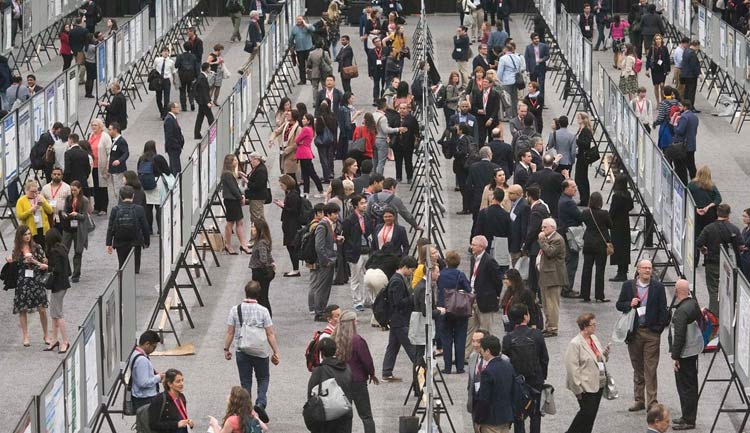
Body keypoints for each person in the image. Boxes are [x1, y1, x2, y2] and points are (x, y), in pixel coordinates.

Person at [616, 258, 669, 412]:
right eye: (645, 268)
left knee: (650, 368)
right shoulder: (628, 286)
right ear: (638, 270)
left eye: (650, 268)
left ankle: (652, 401)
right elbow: (619, 304)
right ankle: (639, 400)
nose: (647, 270)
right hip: (635, 333)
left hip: (651, 333)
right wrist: (629, 304)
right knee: (637, 367)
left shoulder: (658, 287)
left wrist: (658, 329)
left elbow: (663, 310)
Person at [224, 280, 280, 413]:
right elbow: (270, 333)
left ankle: (247, 410)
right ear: (258, 294)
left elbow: (230, 332)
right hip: (260, 351)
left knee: (246, 381)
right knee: (263, 377)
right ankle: (261, 402)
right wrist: (276, 351)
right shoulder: (263, 311)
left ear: (245, 292)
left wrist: (226, 349)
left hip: (241, 349)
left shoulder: (235, 310)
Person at [503, 304, 548, 433]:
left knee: (519, 414)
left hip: (517, 381)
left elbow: (506, 361)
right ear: (525, 317)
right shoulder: (537, 334)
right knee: (535, 413)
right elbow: (544, 358)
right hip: (535, 379)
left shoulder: (508, 338)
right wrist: (542, 376)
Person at [563, 313, 610, 433]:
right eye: (592, 325)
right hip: (585, 386)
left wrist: (604, 354)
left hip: (597, 383)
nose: (595, 327)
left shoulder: (593, 338)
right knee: (586, 413)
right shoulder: (575, 343)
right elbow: (572, 368)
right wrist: (577, 389)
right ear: (584, 326)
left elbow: (598, 358)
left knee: (591, 416)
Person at [333, 310, 377, 433]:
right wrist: (371, 374)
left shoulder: (336, 340)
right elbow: (367, 361)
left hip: (341, 380)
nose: (357, 322)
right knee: (366, 415)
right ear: (352, 323)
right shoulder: (358, 340)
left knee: (345, 416)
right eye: (356, 320)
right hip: (358, 381)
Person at [8, 225, 49, 347]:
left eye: (29, 234)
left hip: (36, 280)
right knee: (22, 309)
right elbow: (15, 265)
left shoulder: (37, 248)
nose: (27, 236)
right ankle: (25, 335)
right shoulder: (16, 250)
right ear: (20, 236)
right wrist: (14, 262)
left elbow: (45, 263)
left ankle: (46, 334)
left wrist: (34, 261)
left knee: (42, 309)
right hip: (22, 281)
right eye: (25, 234)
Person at [668, 279, 701, 431]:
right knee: (691, 385)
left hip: (684, 354)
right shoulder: (693, 304)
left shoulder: (681, 311)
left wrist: (675, 357)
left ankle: (688, 419)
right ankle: (687, 416)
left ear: (676, 292)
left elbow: (679, 336)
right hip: (693, 350)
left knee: (685, 387)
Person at [697, 203, 741, 317]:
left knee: (713, 289)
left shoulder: (709, 228)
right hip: (729, 265)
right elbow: (740, 245)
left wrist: (703, 250)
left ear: (717, 213)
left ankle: (714, 316)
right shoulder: (734, 228)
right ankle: (728, 315)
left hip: (713, 263)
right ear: (729, 214)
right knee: (729, 290)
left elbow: (699, 242)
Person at [382, 256, 418, 381]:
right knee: (410, 347)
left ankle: (387, 372)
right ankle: (421, 367)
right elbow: (398, 302)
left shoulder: (397, 278)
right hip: (399, 319)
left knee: (393, 346)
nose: (412, 273)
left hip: (396, 319)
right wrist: (412, 297)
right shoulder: (397, 281)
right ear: (405, 267)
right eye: (411, 270)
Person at [307, 338, 354, 432]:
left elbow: (310, 396)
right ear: (335, 350)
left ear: (321, 353)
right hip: (345, 415)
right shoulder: (346, 368)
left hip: (327, 417)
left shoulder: (319, 371)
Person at [436, 250, 472, 372]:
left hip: (444, 309)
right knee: (460, 338)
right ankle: (460, 366)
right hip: (459, 310)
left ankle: (447, 367)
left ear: (446, 261)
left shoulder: (440, 275)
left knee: (446, 339)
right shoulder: (460, 275)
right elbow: (468, 289)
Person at [473, 335, 515, 433]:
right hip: (505, 417)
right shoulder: (508, 366)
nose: (481, 352)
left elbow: (484, 399)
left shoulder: (487, 372)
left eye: (482, 350)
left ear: (488, 351)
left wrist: (478, 420)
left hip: (491, 420)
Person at [106, 186, 150, 272]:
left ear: (120, 197)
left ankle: (124, 280)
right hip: (136, 241)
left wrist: (109, 243)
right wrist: (146, 242)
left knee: (122, 266)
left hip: (119, 241)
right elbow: (145, 227)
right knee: (135, 268)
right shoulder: (139, 209)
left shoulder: (115, 210)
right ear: (133, 196)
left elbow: (110, 227)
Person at [579, 192, 613, 303]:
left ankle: (585, 294)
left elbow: (583, 221)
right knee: (600, 270)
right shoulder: (604, 213)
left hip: (588, 242)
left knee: (586, 268)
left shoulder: (586, 212)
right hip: (600, 244)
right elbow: (610, 225)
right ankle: (599, 295)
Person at [537, 218, 567, 338]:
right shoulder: (550, 238)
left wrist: (542, 240)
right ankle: (548, 325)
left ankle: (553, 328)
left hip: (553, 277)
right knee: (545, 304)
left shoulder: (557, 239)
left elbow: (550, 252)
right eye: (542, 227)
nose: (542, 229)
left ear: (552, 228)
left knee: (552, 304)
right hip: (546, 276)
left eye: (545, 227)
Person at [311, 203, 341, 321]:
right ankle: (319, 312)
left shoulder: (329, 224)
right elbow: (319, 246)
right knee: (322, 287)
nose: (337, 216)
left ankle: (321, 310)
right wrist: (325, 260)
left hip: (329, 260)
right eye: (335, 213)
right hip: (325, 262)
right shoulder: (322, 225)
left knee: (325, 287)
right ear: (328, 213)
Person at [43, 228, 70, 353]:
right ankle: (54, 340)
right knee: (54, 314)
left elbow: (57, 269)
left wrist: (47, 266)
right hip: (63, 284)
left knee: (58, 314)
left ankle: (65, 341)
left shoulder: (54, 252)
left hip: (58, 285)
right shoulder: (62, 248)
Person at [342, 195, 371, 312]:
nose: (365, 205)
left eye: (365, 202)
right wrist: (349, 252)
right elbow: (346, 237)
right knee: (355, 278)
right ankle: (357, 301)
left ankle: (366, 300)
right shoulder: (349, 220)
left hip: (367, 250)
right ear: (355, 206)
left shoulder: (367, 217)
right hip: (355, 252)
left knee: (367, 277)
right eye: (362, 203)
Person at [273, 175, 303, 277]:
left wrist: (283, 206)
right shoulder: (291, 194)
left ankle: (296, 269)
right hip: (289, 223)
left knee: (292, 246)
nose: (281, 186)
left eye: (282, 184)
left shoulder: (293, 195)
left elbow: (294, 211)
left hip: (292, 224)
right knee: (291, 247)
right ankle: (295, 268)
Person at [522, 185, 549, 296]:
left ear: (529, 197)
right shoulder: (542, 207)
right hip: (539, 245)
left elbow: (532, 231)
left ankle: (536, 297)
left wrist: (525, 246)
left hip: (536, 247)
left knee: (534, 275)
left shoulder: (536, 211)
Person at [148, 369, 194, 433]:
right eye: (178, 381)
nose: (182, 384)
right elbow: (153, 425)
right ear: (170, 384)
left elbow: (182, 417)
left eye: (182, 380)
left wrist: (188, 423)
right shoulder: (159, 399)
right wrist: (176, 425)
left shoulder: (181, 397)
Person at [219, 154, 249, 255]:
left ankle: (243, 244)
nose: (237, 161)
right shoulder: (227, 174)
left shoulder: (229, 173)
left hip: (233, 200)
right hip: (231, 201)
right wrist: (241, 197)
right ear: (230, 162)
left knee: (239, 222)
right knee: (230, 224)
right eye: (235, 160)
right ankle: (228, 245)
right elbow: (233, 188)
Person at [60, 181, 89, 283]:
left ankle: (76, 274)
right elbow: (64, 210)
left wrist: (76, 214)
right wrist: (64, 214)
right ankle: (65, 272)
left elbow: (84, 216)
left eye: (75, 190)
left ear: (80, 189)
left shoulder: (84, 200)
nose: (73, 192)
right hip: (68, 228)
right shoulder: (68, 198)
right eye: (72, 190)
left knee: (78, 251)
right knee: (64, 251)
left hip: (78, 229)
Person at [128, 331, 163, 410]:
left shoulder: (135, 353)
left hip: (141, 398)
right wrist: (158, 377)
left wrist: (153, 375)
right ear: (147, 344)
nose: (154, 350)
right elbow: (143, 383)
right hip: (146, 399)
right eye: (154, 347)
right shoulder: (142, 360)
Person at [608, 175, 634, 282]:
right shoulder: (627, 194)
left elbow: (612, 211)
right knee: (624, 247)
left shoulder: (616, 196)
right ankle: (624, 270)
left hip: (617, 225)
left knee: (618, 247)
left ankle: (620, 273)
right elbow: (631, 207)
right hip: (625, 223)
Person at [16, 180, 54, 246]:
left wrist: (43, 203)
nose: (35, 193)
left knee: (44, 247)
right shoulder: (21, 201)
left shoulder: (40, 197)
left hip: (43, 228)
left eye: (36, 191)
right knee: (33, 248)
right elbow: (20, 216)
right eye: (32, 191)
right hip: (30, 230)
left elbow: (50, 211)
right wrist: (30, 211)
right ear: (26, 191)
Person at [249, 220, 275, 316]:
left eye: (253, 227)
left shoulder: (261, 243)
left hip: (260, 273)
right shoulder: (261, 241)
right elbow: (268, 255)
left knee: (262, 298)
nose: (252, 229)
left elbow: (263, 258)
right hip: (260, 271)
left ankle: (266, 318)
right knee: (262, 297)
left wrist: (267, 267)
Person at [295, 113, 324, 197]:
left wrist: (299, 142)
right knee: (306, 174)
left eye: (304, 119)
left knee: (311, 173)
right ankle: (306, 192)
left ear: (308, 121)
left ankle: (320, 190)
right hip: (306, 153)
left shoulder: (305, 129)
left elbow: (297, 140)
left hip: (304, 153)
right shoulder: (311, 129)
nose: (302, 120)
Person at [88, 118, 112, 215]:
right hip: (92, 166)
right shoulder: (91, 135)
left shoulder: (105, 136)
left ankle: (103, 208)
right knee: (95, 187)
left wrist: (108, 166)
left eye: (95, 125)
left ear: (100, 126)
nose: (93, 127)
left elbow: (109, 152)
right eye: (92, 125)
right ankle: (96, 206)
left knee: (102, 187)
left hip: (102, 165)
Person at [391, 102, 419, 183]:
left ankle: (409, 177)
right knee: (398, 161)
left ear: (408, 109)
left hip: (408, 143)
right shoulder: (395, 117)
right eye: (400, 108)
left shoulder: (412, 119)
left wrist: (416, 140)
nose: (402, 110)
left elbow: (416, 131)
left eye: (404, 108)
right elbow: (391, 128)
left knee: (408, 161)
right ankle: (398, 177)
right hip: (397, 143)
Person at [673, 100, 699, 180]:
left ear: (685, 107)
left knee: (681, 165)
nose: (679, 108)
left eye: (680, 106)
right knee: (691, 165)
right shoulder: (695, 116)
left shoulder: (684, 117)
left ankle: (684, 182)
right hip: (692, 144)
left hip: (683, 145)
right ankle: (694, 180)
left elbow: (680, 131)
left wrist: (675, 126)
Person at [497, 42, 524, 118]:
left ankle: (510, 116)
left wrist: (500, 80)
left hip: (506, 81)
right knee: (514, 99)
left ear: (505, 49)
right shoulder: (518, 57)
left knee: (507, 99)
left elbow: (500, 71)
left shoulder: (503, 58)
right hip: (515, 81)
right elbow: (519, 69)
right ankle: (516, 114)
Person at [507, 184, 530, 266]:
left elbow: (524, 228)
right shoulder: (515, 204)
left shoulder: (524, 206)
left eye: (511, 193)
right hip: (513, 242)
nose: (508, 195)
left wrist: (522, 246)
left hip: (517, 245)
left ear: (518, 194)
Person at [645, 34, 670, 104]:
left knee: (662, 85)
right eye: (656, 39)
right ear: (654, 40)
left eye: (659, 39)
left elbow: (667, 58)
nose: (658, 40)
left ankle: (662, 101)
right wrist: (647, 69)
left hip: (662, 69)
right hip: (655, 69)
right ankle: (658, 102)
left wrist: (668, 69)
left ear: (661, 40)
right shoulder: (652, 48)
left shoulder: (664, 48)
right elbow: (648, 59)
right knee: (656, 86)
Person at [107, 122, 129, 202]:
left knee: (119, 189)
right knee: (115, 190)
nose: (108, 131)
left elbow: (126, 153)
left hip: (118, 170)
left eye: (110, 130)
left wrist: (119, 160)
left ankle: (121, 204)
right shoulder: (113, 140)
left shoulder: (121, 141)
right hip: (113, 170)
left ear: (115, 130)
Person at [175, 41, 200, 112]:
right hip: (191, 76)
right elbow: (196, 67)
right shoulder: (193, 56)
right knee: (190, 90)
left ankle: (184, 107)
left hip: (182, 76)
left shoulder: (180, 56)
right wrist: (197, 76)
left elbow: (176, 65)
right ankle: (191, 102)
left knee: (182, 91)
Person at [152, 47, 176, 119]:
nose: (165, 53)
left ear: (168, 53)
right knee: (158, 98)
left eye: (167, 51)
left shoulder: (171, 62)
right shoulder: (157, 60)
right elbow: (154, 68)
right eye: (164, 51)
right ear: (161, 53)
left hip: (166, 80)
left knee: (166, 99)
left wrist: (174, 80)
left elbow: (173, 72)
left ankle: (165, 114)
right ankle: (161, 111)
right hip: (159, 80)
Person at [162, 102, 185, 174]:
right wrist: (177, 145)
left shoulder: (172, 118)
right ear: (172, 109)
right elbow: (169, 136)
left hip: (175, 148)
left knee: (175, 166)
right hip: (173, 148)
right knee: (175, 168)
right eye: (177, 107)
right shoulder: (169, 120)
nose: (179, 109)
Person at [193, 63, 214, 139]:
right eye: (209, 67)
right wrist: (208, 102)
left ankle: (197, 134)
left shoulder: (201, 77)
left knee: (200, 117)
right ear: (207, 68)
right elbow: (204, 91)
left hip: (201, 101)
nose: (210, 68)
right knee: (210, 118)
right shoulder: (203, 78)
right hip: (203, 102)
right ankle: (213, 133)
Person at [680, 41, 701, 112]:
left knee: (686, 91)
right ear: (696, 46)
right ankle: (691, 107)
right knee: (691, 92)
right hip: (691, 76)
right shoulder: (692, 54)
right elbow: (694, 66)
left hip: (685, 75)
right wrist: (699, 74)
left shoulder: (686, 51)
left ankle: (685, 105)